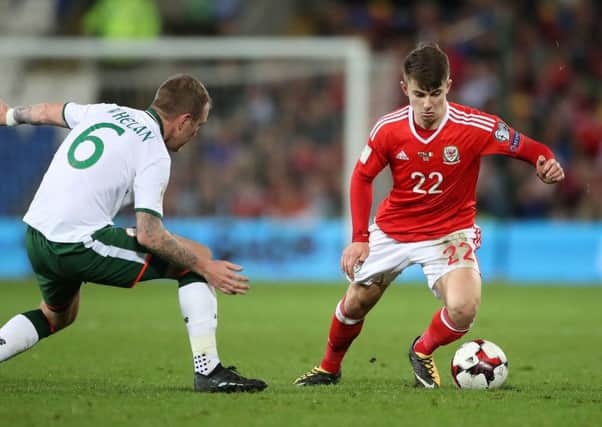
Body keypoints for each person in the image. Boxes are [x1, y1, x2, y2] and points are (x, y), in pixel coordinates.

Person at [294, 43, 565, 388]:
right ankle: (329, 369)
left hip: (449, 233)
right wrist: (360, 238)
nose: (427, 104)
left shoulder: (475, 125)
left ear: (448, 86)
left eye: (435, 93)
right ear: (405, 88)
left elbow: (530, 148)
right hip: (394, 230)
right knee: (356, 303)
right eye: (419, 94)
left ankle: (422, 350)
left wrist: (546, 164)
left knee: (464, 307)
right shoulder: (388, 129)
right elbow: (362, 176)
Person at [0, 74, 267, 393]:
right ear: (183, 121)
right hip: (75, 243)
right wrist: (206, 268)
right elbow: (149, 234)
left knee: (58, 315)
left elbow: (46, 111)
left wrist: (9, 115)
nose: (196, 133)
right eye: (199, 125)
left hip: (36, 235)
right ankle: (208, 371)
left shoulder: (106, 111)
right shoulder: (153, 150)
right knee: (194, 260)